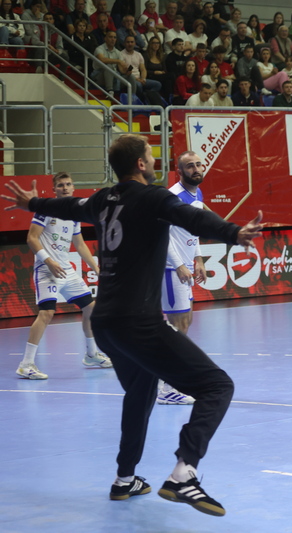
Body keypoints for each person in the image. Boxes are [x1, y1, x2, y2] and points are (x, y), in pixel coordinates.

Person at [2, 134, 265, 516]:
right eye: (150, 156)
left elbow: (69, 207)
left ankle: (125, 479)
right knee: (218, 386)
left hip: (106, 323)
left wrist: (33, 203)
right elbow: (193, 218)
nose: (155, 160)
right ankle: (184, 472)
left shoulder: (103, 199)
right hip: (138, 322)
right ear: (140, 164)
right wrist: (233, 233)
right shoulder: (154, 198)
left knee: (140, 392)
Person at [15, 172, 112, 380]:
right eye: (60, 185)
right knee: (46, 313)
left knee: (91, 309)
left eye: (68, 184)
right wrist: (48, 261)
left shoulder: (74, 214)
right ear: (54, 190)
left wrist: (95, 267)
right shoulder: (45, 210)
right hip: (46, 269)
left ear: (73, 188)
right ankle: (26, 364)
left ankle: (91, 354)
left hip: (66, 270)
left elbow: (80, 244)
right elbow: (31, 238)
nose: (65, 188)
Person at [157, 151, 210, 405]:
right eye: (190, 166)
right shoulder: (173, 197)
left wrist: (198, 259)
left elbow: (194, 229)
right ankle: (165, 388)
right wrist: (178, 265)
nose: (196, 169)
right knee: (176, 327)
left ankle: (170, 379)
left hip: (185, 267)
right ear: (179, 171)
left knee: (184, 323)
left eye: (199, 164)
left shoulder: (197, 194)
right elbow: (163, 235)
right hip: (170, 269)